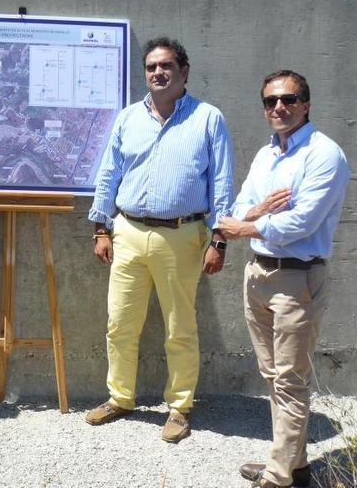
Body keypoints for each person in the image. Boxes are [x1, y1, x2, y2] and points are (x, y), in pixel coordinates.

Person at [85, 37, 234, 443]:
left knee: (179, 327)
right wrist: (101, 227)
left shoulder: (208, 118)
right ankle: (120, 398)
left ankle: (180, 407)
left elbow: (221, 181)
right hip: (128, 231)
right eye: (151, 66)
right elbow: (107, 174)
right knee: (120, 324)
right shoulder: (128, 118)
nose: (157, 72)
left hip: (183, 235)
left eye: (166, 65)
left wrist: (219, 238)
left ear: (183, 72)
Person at [220, 70, 349, 488]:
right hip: (258, 273)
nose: (278, 107)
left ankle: (279, 476)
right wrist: (256, 212)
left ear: (305, 104)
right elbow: (238, 208)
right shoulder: (265, 156)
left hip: (297, 279)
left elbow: (302, 221)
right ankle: (293, 463)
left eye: (288, 99)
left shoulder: (323, 155)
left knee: (290, 379)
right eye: (270, 101)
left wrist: (244, 226)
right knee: (273, 376)